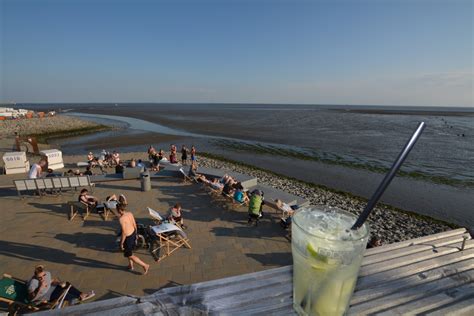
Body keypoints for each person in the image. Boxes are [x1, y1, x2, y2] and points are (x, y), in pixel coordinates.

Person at [27, 265, 95, 306]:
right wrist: (40, 288)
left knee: (66, 284)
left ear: (44, 272)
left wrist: (59, 282)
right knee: (62, 293)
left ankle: (81, 294)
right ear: (35, 277)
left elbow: (52, 280)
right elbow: (31, 298)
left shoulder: (47, 273)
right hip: (46, 296)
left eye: (43, 275)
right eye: (40, 277)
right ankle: (77, 298)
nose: (43, 278)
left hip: (52, 287)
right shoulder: (33, 283)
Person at [117, 204, 150, 274]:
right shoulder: (130, 213)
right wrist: (136, 234)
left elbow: (124, 232)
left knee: (130, 255)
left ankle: (145, 265)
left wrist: (121, 243)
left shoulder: (121, 219)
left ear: (119, 210)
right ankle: (130, 265)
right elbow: (134, 224)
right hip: (133, 234)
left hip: (128, 238)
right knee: (130, 252)